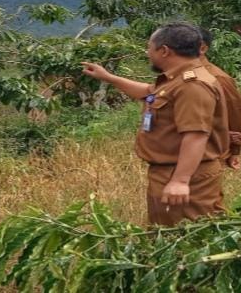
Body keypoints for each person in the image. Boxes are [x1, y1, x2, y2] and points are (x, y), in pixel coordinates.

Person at [83, 22, 228, 225]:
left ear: (164, 51)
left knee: (187, 239)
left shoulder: (193, 86)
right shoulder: (176, 79)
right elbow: (148, 93)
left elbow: (195, 135)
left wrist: (180, 180)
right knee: (165, 232)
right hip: (169, 171)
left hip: (187, 175)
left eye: (149, 47)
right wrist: (108, 78)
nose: (147, 52)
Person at [197, 28, 241, 171]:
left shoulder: (218, 78)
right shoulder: (178, 75)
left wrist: (235, 150)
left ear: (202, 48)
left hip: (208, 155)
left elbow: (237, 115)